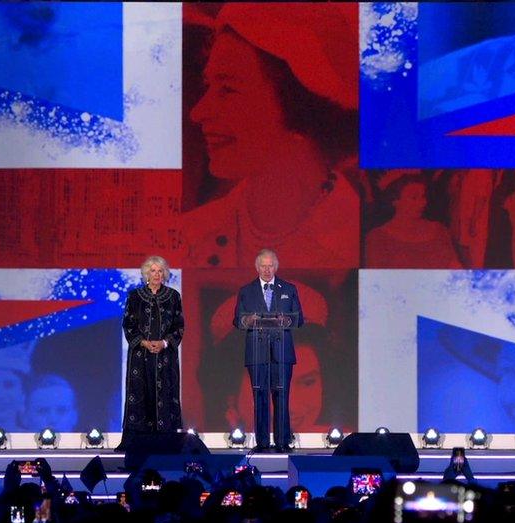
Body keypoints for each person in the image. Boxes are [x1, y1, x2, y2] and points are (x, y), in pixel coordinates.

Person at [182, 3, 361, 268]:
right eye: (210, 86)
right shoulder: (188, 236)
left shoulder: (361, 243)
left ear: (300, 104)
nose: (198, 113)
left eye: (228, 89)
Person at [233, 249, 304, 452]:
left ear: (276, 267)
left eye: (270, 265)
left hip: (282, 352)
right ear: (257, 268)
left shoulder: (289, 289)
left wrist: (285, 320)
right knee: (260, 396)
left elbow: (299, 319)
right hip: (257, 353)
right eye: (263, 266)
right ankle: (262, 443)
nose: (267, 269)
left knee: (282, 395)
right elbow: (238, 320)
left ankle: (283, 442)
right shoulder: (246, 291)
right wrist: (249, 320)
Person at [118, 256, 184, 451]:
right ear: (146, 274)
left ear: (165, 274)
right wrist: (144, 342)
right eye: (153, 271)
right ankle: (135, 442)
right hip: (141, 356)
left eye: (160, 271)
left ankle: (166, 441)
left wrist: (164, 343)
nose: (157, 274)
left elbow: (179, 326)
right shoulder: (135, 296)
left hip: (165, 356)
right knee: (140, 394)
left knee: (165, 393)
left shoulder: (173, 296)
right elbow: (128, 325)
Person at [364, 172, 460, 268]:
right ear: (395, 201)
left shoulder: (440, 230)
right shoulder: (377, 238)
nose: (422, 203)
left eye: (423, 196)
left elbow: (455, 269)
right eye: (414, 197)